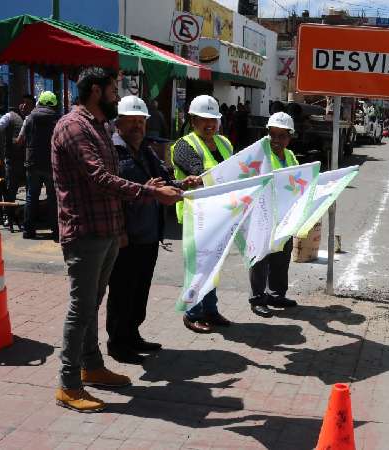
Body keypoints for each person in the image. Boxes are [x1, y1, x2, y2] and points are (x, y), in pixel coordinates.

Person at [52, 67, 182, 412]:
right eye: (112, 92)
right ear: (95, 91)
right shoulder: (73, 127)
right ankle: (68, 384)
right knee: (81, 309)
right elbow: (99, 177)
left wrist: (152, 190)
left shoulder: (98, 127)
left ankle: (92, 366)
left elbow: (114, 179)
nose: (116, 99)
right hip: (86, 232)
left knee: (92, 305)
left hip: (107, 230)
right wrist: (149, 193)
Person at [106, 96, 200, 364]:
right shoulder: (113, 153)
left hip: (148, 234)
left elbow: (165, 181)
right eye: (131, 121)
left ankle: (133, 334)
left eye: (141, 121)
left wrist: (183, 183)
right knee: (122, 292)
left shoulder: (145, 150)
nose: (137, 125)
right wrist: (149, 190)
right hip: (126, 236)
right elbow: (114, 194)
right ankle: (118, 344)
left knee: (140, 290)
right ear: (119, 123)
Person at [172, 94, 233, 333]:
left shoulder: (225, 143)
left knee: (213, 265)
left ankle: (210, 310)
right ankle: (192, 313)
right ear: (192, 120)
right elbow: (200, 174)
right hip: (196, 215)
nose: (210, 124)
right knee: (198, 267)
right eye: (203, 119)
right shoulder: (184, 146)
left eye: (213, 120)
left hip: (219, 214)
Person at [249, 112, 300, 318]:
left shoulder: (290, 156)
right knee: (260, 258)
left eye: (282, 136)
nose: (277, 141)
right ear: (267, 134)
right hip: (262, 215)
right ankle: (258, 299)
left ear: (290, 137)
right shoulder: (260, 156)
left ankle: (276, 295)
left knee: (281, 256)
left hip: (283, 216)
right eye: (273, 135)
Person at [17, 91, 60, 240]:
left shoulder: (29, 118)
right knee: (53, 198)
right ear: (54, 104)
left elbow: (20, 140)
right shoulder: (57, 119)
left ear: (39, 102)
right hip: (51, 164)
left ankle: (28, 231)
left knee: (31, 197)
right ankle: (56, 231)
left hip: (32, 163)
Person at [0, 104, 25, 229]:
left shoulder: (26, 116)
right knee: (11, 188)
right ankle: (11, 216)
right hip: (18, 159)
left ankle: (14, 216)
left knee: (14, 189)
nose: (23, 105)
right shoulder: (15, 116)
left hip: (22, 159)